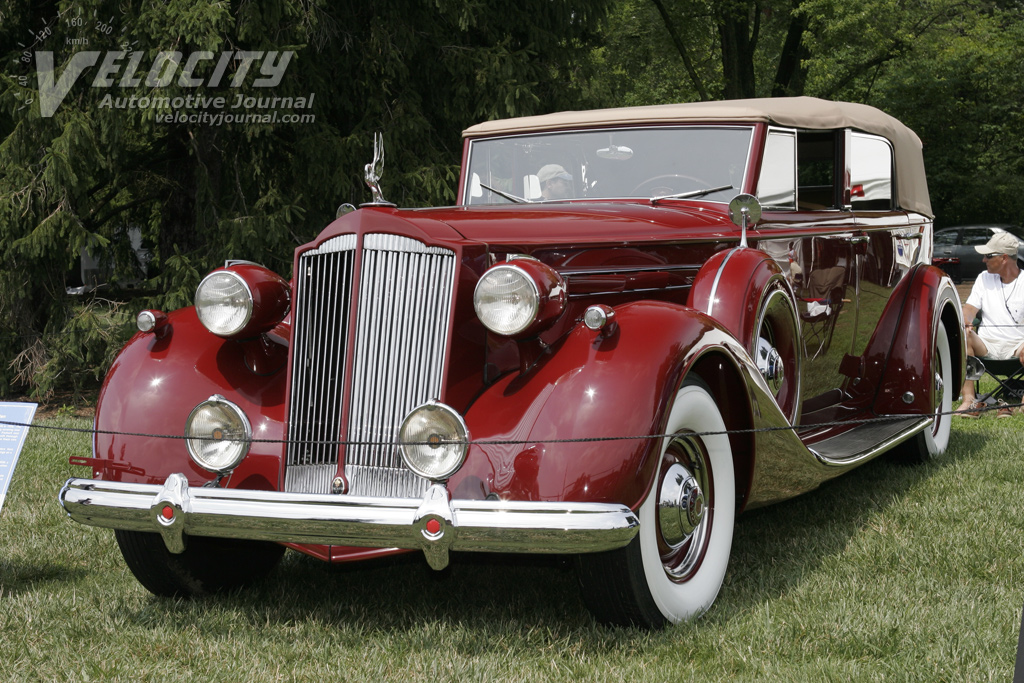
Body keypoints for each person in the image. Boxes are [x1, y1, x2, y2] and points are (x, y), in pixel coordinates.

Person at [956, 231, 1024, 417]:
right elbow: (970, 308)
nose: (984, 260)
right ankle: (969, 400)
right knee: (964, 334)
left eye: (988, 256)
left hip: (1018, 348)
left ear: (1003, 258)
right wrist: (967, 319)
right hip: (986, 346)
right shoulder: (983, 278)